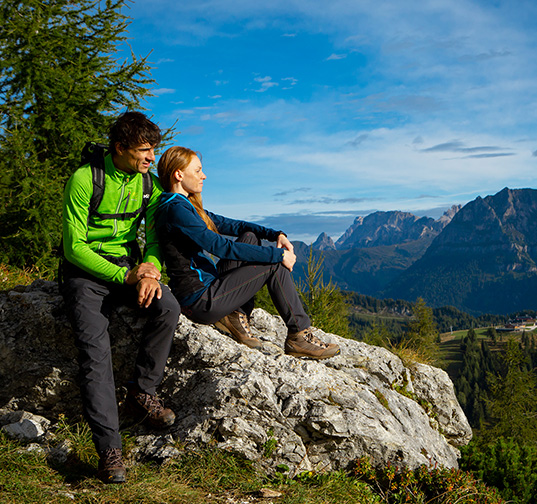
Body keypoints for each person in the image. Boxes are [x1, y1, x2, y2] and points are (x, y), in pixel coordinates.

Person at [60, 112, 180, 484]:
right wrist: (123, 275)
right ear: (120, 148)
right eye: (144, 151)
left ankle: (142, 392)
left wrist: (151, 268)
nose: (150, 158)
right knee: (96, 356)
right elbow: (73, 246)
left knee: (169, 308)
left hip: (131, 268)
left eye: (153, 150)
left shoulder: (147, 184)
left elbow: (157, 235)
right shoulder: (85, 179)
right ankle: (109, 451)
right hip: (86, 275)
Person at [154, 146, 339, 360]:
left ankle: (235, 315)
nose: (203, 176)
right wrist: (278, 256)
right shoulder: (176, 210)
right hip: (200, 301)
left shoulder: (186, 205)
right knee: (273, 264)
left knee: (250, 236)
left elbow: (232, 225)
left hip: (209, 288)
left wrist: (275, 234)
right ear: (178, 174)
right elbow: (221, 247)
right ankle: (298, 335)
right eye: (197, 171)